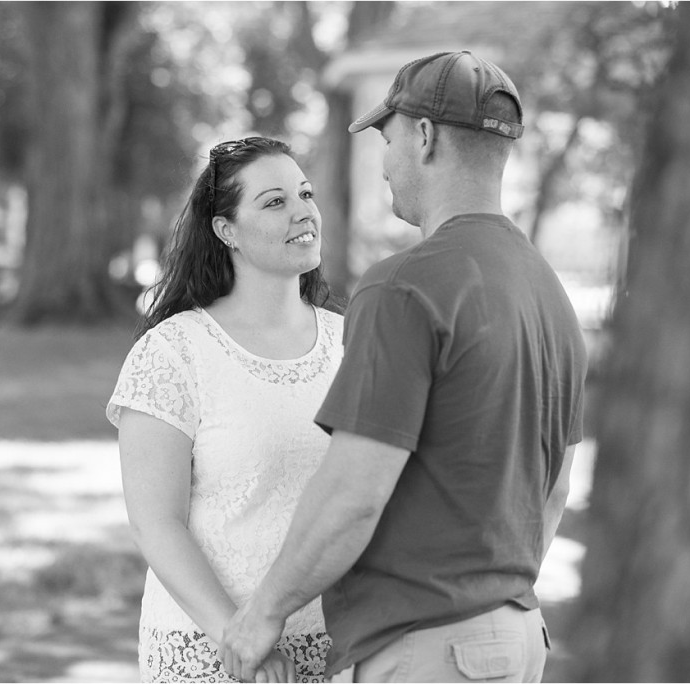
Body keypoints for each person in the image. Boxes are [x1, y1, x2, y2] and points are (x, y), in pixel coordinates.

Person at [219, 51, 588, 683]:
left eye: (386, 141)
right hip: (518, 639)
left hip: (427, 650)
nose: (385, 165)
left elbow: (353, 493)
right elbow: (554, 489)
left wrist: (263, 613)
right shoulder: (548, 292)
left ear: (424, 136)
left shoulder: (404, 286)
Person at [107, 136, 344, 683]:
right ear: (226, 230)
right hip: (211, 649)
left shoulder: (350, 343)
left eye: (304, 194)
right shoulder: (174, 352)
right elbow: (154, 523)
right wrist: (241, 638)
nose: (303, 211)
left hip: (340, 646)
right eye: (274, 201)